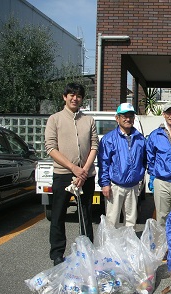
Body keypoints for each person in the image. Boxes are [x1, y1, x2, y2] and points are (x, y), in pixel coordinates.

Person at [44, 83, 98, 266]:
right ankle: (57, 253)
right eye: (72, 95)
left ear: (82, 99)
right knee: (59, 214)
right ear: (64, 97)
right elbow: (50, 148)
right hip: (63, 174)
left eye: (79, 96)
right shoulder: (55, 119)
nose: (75, 98)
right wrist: (73, 168)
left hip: (86, 176)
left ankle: (87, 250)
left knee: (85, 214)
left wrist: (83, 171)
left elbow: (94, 146)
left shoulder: (88, 120)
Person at [97, 103, 146, 228]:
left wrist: (140, 178)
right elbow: (104, 163)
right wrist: (105, 184)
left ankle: (129, 246)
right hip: (115, 186)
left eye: (130, 116)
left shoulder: (140, 139)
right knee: (111, 221)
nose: (128, 119)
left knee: (131, 221)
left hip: (133, 186)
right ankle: (109, 246)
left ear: (134, 118)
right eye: (124, 116)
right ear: (117, 118)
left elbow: (144, 160)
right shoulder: (108, 139)